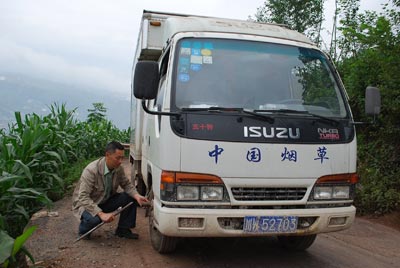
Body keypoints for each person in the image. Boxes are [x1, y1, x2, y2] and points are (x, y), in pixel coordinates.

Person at [72, 141, 148, 239]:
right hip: (87, 205)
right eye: (118, 158)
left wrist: (137, 196)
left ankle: (123, 230)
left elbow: (127, 185)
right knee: (95, 220)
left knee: (130, 197)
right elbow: (83, 197)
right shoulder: (91, 171)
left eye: (122, 158)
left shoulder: (118, 168)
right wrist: (101, 214)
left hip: (104, 200)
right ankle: (83, 230)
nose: (121, 161)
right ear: (107, 155)